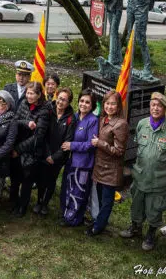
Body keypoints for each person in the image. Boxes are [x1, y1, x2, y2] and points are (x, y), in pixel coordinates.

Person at [120, 92, 166, 251]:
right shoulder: (142, 124)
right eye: (153, 105)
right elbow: (138, 145)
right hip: (140, 176)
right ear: (149, 107)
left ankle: (151, 234)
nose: (155, 108)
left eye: (159, 106)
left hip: (159, 180)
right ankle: (135, 228)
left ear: (165, 108)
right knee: (137, 205)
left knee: (154, 209)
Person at [88, 91, 129, 236]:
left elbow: (119, 151)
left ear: (118, 106)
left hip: (111, 170)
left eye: (113, 104)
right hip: (99, 166)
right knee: (99, 198)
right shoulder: (103, 119)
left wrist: (100, 143)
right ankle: (98, 220)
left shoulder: (121, 124)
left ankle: (98, 227)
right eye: (107, 103)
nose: (109, 106)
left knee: (106, 202)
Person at [9, 81, 51, 217]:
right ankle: (13, 202)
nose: (29, 96)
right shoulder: (23, 104)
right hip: (17, 146)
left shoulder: (44, 111)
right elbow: (15, 121)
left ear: (39, 95)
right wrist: (26, 123)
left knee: (27, 182)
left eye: (32, 93)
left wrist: (19, 150)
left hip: (31, 152)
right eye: (28, 93)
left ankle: (22, 206)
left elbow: (38, 137)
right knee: (15, 178)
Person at [59, 89, 99, 227]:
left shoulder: (93, 121)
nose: (84, 104)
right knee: (67, 189)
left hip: (84, 164)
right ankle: (65, 214)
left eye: (87, 102)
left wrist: (72, 146)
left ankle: (74, 218)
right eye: (82, 101)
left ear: (92, 105)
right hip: (71, 161)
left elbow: (91, 144)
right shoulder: (75, 116)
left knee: (78, 192)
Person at [35, 86, 74, 216]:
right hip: (45, 152)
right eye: (60, 98)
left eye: (64, 100)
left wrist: (54, 157)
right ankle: (39, 201)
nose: (61, 102)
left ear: (68, 103)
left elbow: (68, 141)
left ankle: (45, 203)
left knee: (51, 180)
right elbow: (43, 134)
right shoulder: (48, 110)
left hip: (58, 157)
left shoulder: (71, 118)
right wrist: (47, 154)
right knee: (41, 179)